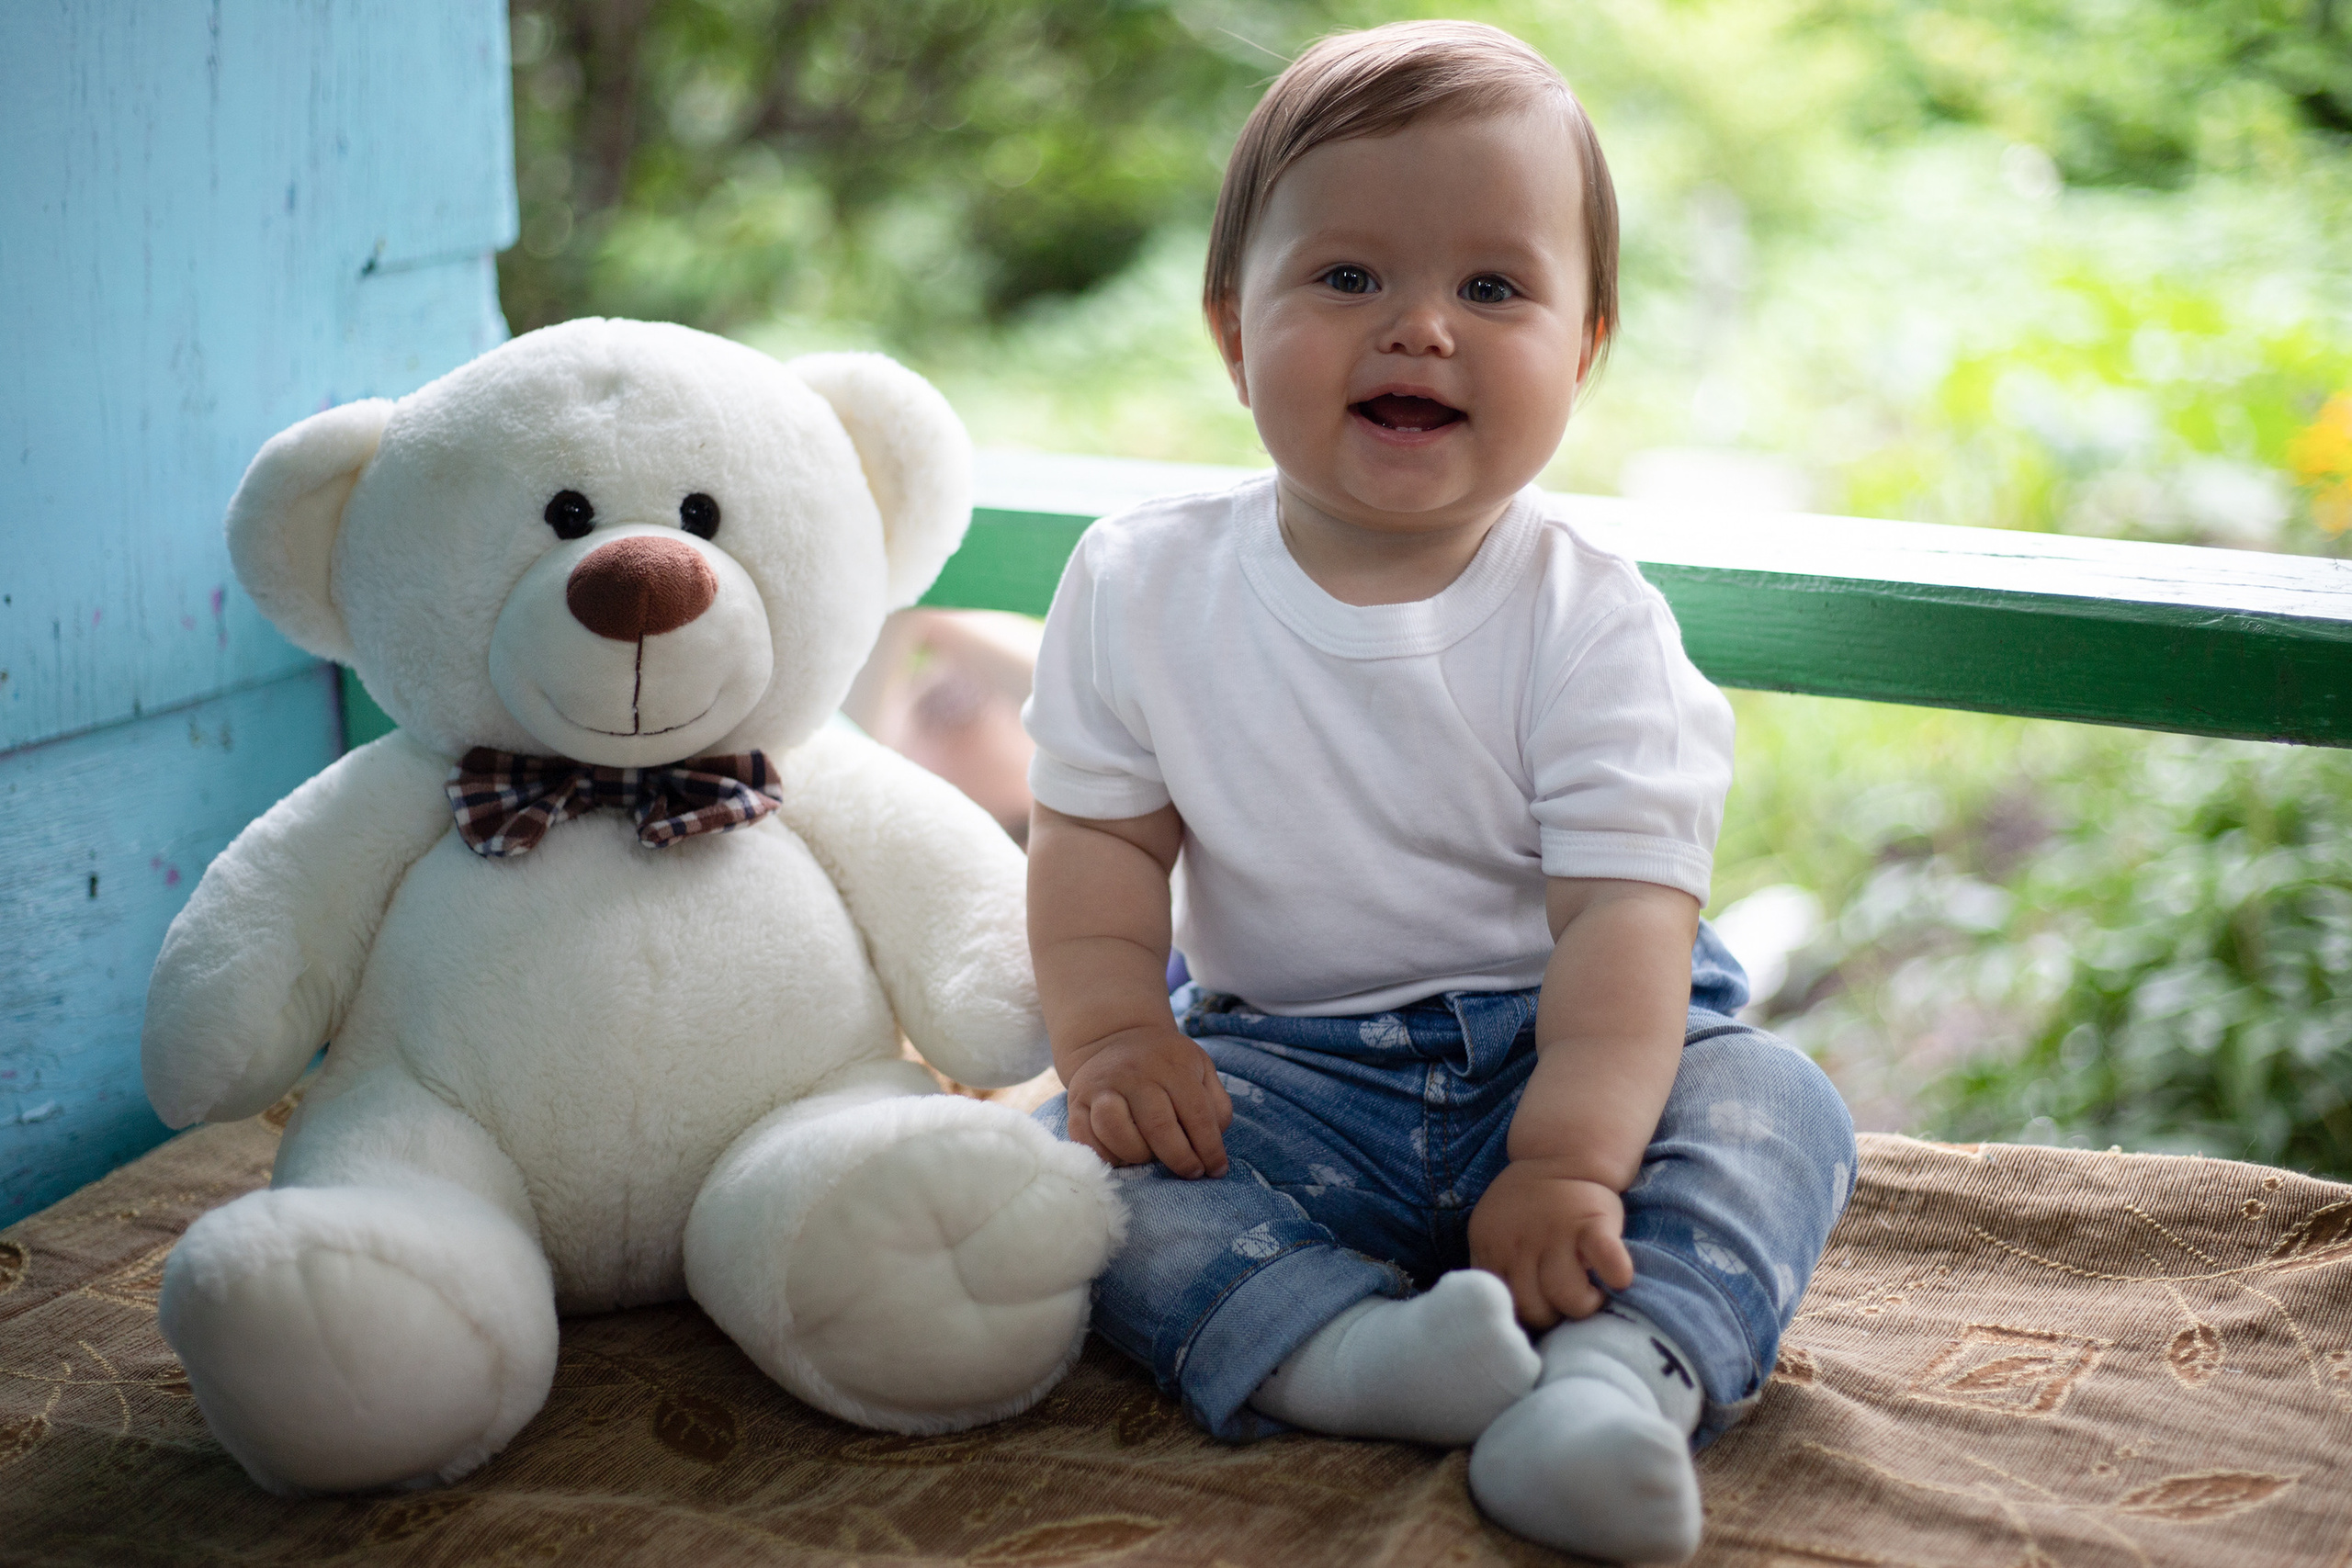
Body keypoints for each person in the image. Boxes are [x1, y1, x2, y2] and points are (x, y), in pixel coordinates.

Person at [1021, 20, 1855, 1563]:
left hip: (1561, 1041)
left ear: (1584, 347)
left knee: (1772, 1103)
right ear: (1230, 328)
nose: (1420, 328)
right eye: (1348, 278)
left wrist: (1566, 1162)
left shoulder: (1591, 620)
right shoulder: (1140, 583)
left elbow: (1625, 919)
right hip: (1287, 1075)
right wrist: (1121, 1038)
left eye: (1493, 287)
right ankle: (1357, 1362)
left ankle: (1618, 1378)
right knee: (1079, 1175)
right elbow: (1099, 843)